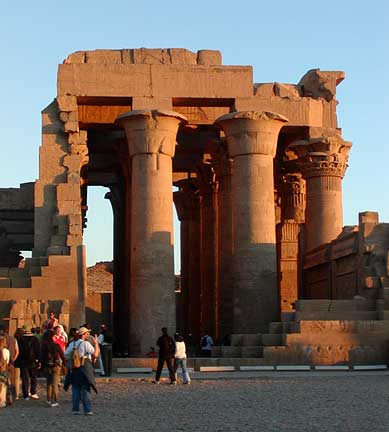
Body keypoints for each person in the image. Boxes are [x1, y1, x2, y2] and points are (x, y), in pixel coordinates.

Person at [64, 326, 99, 415]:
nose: (88, 335)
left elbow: (66, 354)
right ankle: (87, 410)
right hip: (84, 367)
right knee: (85, 389)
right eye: (87, 333)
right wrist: (96, 343)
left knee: (75, 388)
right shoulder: (85, 344)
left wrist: (74, 358)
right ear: (83, 334)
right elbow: (95, 354)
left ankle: (75, 409)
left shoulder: (73, 344)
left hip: (74, 368)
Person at [14, 328, 41, 400]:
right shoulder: (35, 339)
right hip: (33, 361)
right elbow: (38, 350)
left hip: (23, 362)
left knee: (25, 378)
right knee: (33, 377)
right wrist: (38, 360)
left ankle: (26, 394)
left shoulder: (20, 339)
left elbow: (18, 351)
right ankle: (33, 392)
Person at [40, 330, 65, 407]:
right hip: (55, 365)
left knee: (49, 383)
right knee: (55, 384)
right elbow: (62, 355)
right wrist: (64, 364)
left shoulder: (44, 346)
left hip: (47, 366)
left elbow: (41, 357)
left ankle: (48, 399)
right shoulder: (56, 345)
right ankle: (54, 400)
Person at [0, 324, 19, 404]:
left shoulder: (1, 340)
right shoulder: (13, 339)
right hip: (10, 362)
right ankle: (10, 397)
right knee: (10, 381)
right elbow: (17, 351)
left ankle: (3, 398)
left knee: (2, 382)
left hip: (2, 365)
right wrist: (12, 360)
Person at [0, 336, 10, 408]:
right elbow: (7, 360)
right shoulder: (6, 351)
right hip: (3, 370)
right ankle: (2, 402)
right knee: (3, 386)